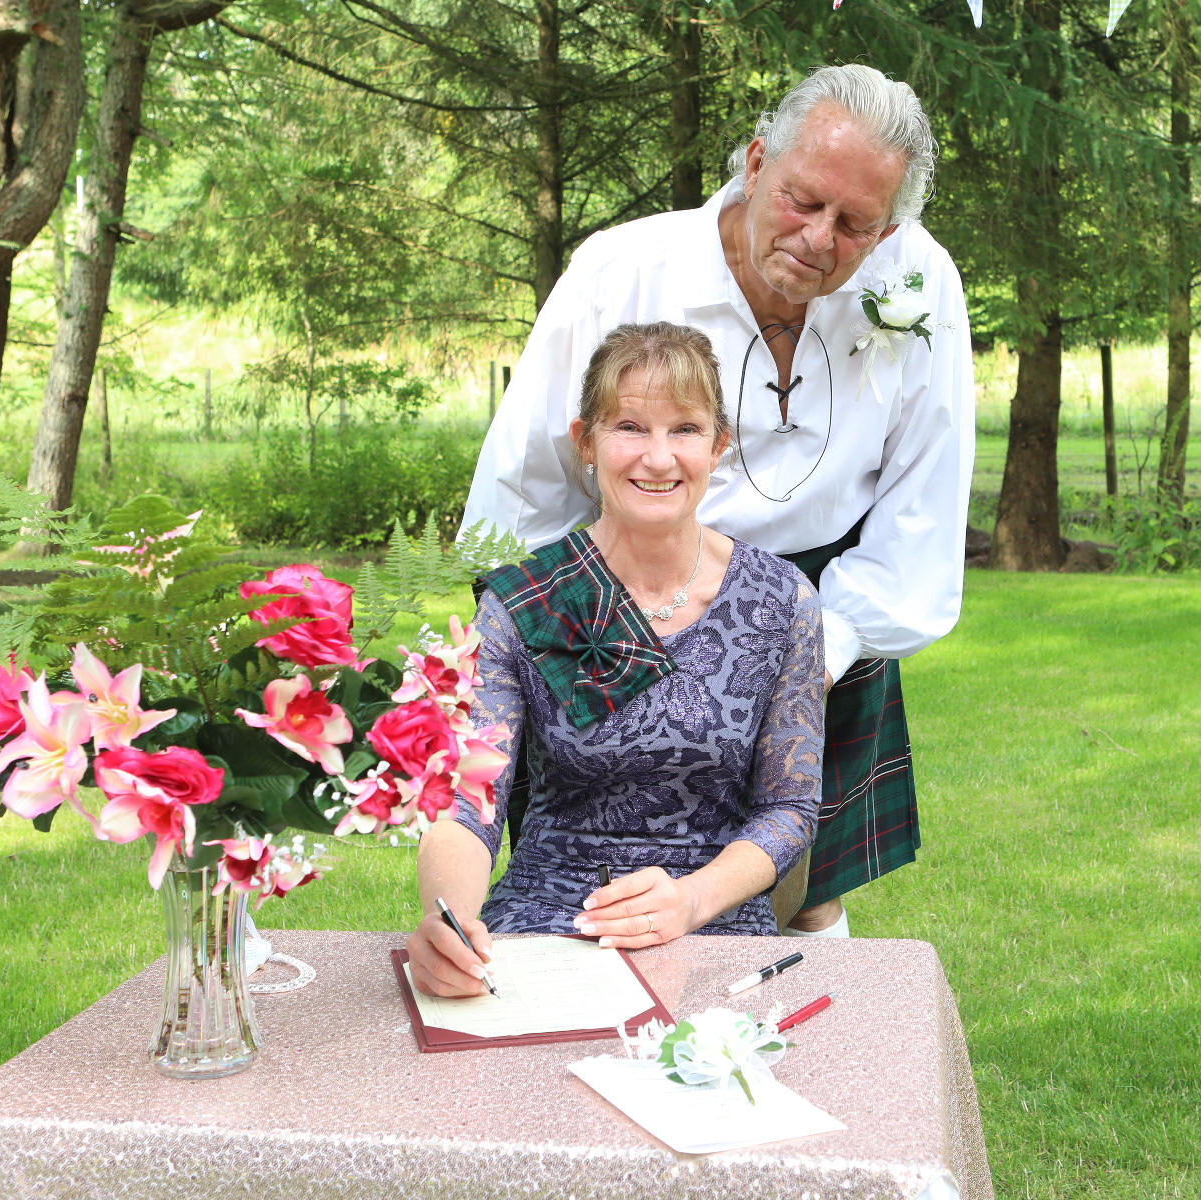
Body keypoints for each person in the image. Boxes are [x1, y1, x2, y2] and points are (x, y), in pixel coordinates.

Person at [462, 64, 976, 938]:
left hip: (816, 600)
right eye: (802, 201)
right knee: (598, 877)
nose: (819, 239)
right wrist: (582, 648)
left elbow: (923, 505)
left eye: (856, 225)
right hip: (613, 594)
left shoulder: (919, 281)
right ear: (755, 161)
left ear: (890, 228)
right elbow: (525, 490)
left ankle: (813, 1027)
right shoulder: (621, 268)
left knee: (802, 890)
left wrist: (809, 649)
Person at [406, 322, 824, 998]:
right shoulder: (526, 600)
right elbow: (468, 800)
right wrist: (447, 921)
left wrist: (691, 900)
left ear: (719, 445)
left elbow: (790, 809)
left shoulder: (782, 601)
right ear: (586, 443)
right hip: (550, 915)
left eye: (685, 429)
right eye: (630, 426)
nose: (658, 458)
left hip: (711, 920)